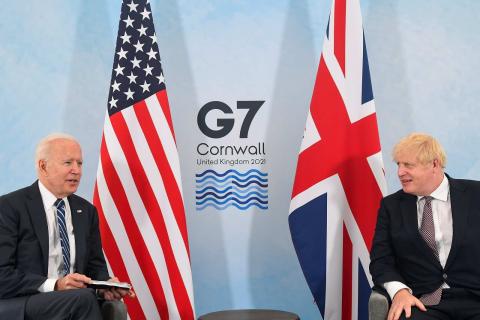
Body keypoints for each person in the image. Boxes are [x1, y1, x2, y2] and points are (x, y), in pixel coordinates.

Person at [0, 133, 134, 320]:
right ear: (43, 166)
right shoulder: (9, 207)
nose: (76, 170)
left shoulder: (86, 211)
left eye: (79, 164)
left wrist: (105, 286)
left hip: (77, 300)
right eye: (68, 163)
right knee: (83, 299)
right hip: (23, 301)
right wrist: (55, 285)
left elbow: (96, 268)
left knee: (104, 303)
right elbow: (2, 275)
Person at [370, 133, 480, 320]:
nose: (400, 172)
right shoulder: (391, 206)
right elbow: (381, 261)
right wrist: (400, 292)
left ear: (434, 164)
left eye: (408, 165)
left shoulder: (475, 195)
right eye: (398, 164)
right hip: (423, 303)